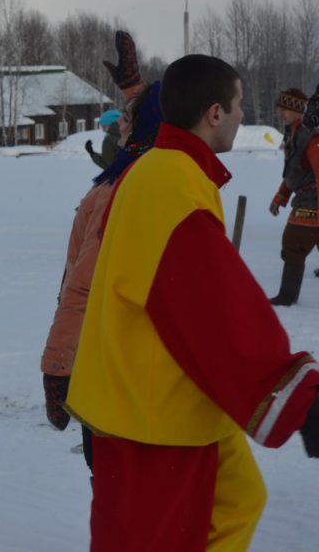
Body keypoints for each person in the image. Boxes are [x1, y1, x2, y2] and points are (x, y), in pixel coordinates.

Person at [65, 54, 319, 551]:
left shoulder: (163, 169)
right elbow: (214, 307)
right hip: (148, 410)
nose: (244, 115)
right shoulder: (170, 183)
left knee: (237, 499)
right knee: (157, 538)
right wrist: (298, 398)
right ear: (215, 113)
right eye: (239, 105)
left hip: (169, 390)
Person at [41, 31, 162, 471]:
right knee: (119, 483)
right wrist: (58, 368)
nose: (121, 124)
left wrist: (135, 89)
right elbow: (82, 286)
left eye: (127, 118)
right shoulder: (134, 179)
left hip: (117, 365)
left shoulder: (139, 175)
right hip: (114, 368)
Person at [268, 88, 319, 305]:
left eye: (284, 109)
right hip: (305, 196)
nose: (280, 114)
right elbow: (292, 172)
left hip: (312, 202)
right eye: (279, 109)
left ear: (297, 109)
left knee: (293, 243)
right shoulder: (295, 133)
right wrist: (281, 196)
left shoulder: (310, 136)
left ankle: (287, 296)